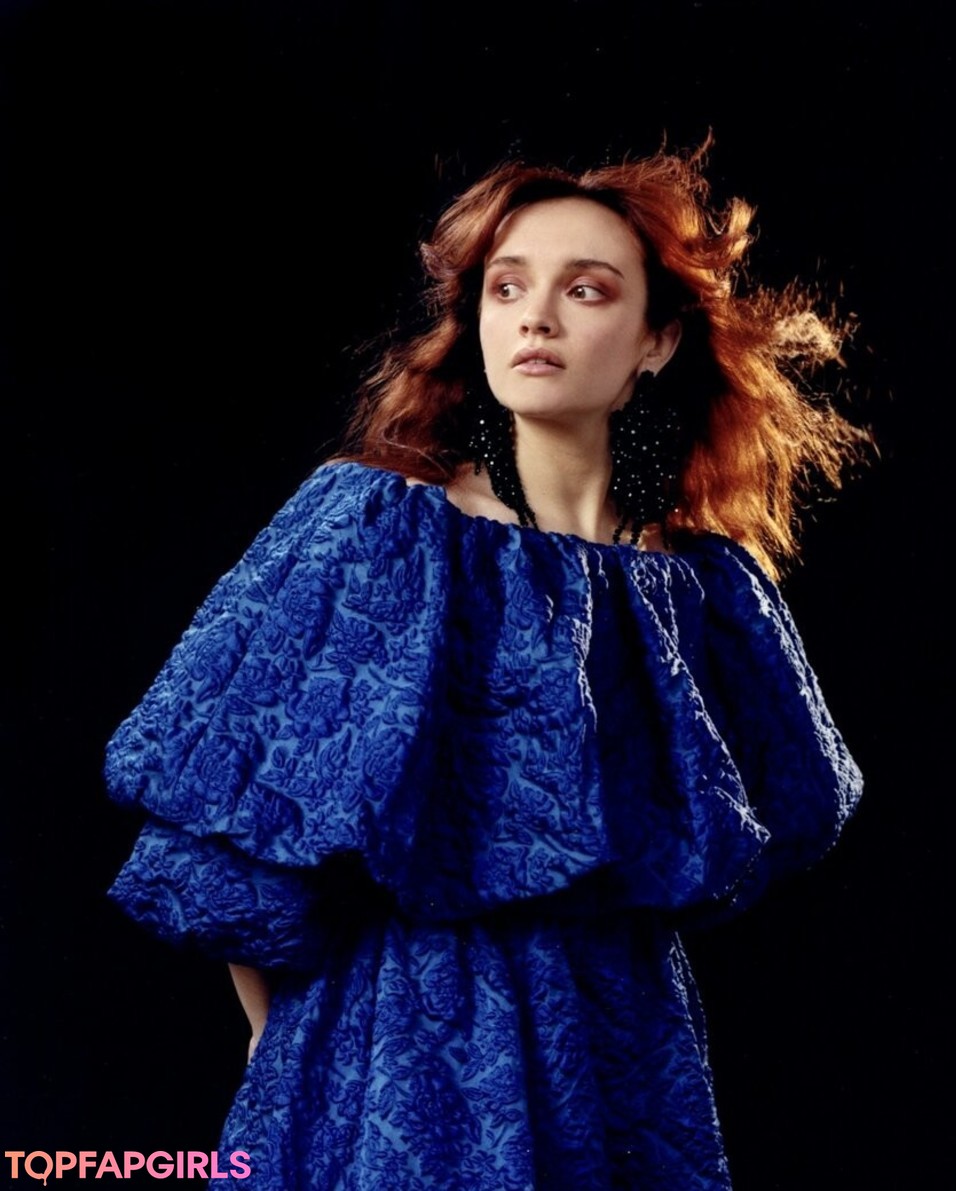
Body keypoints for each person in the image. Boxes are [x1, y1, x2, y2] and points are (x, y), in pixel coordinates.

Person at [105, 144, 865, 1189]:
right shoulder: (381, 528)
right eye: (507, 288)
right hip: (397, 1035)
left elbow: (786, 806)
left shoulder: (704, 587)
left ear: (656, 340)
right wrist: (288, 1048)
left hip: (625, 1054)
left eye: (585, 290)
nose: (534, 318)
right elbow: (237, 811)